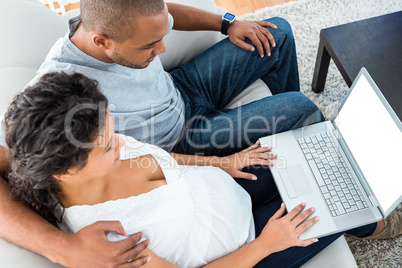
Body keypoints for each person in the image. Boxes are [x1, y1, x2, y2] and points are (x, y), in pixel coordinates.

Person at [5, 72, 386, 268]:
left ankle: (371, 203)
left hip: (227, 191)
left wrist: (224, 162)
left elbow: (161, 163)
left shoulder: (104, 149)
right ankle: (379, 224)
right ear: (66, 173)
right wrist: (267, 244)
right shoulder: (109, 242)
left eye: (112, 128)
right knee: (337, 207)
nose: (120, 141)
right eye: (107, 146)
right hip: (248, 250)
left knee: (316, 160)